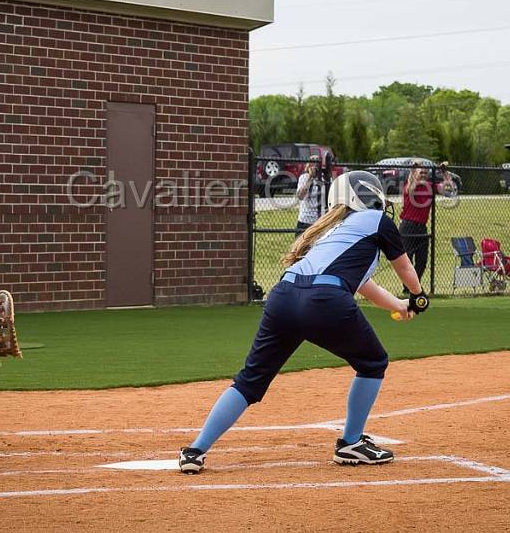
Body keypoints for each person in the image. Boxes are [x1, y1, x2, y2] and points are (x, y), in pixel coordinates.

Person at [178, 170, 428, 474]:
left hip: (283, 297)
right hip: (324, 300)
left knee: (250, 380)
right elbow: (404, 266)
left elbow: (367, 287)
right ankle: (350, 443)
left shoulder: (330, 233)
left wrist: (400, 306)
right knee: (373, 362)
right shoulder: (376, 222)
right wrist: (417, 296)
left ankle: (195, 450)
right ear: (366, 196)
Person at [398, 159, 434, 295]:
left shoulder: (429, 186)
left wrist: (444, 173)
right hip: (408, 226)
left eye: (425, 172)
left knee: (422, 260)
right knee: (407, 260)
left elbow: (448, 188)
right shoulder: (409, 185)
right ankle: (408, 288)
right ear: (414, 173)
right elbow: (411, 187)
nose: (424, 174)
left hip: (421, 227)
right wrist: (413, 172)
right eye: (421, 172)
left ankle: (415, 287)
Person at [294, 154, 324, 236]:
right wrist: (310, 178)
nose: (315, 165)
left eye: (317, 162)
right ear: (309, 164)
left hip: (320, 220)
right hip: (305, 219)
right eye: (312, 162)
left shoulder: (324, 178)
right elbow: (300, 196)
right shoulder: (304, 177)